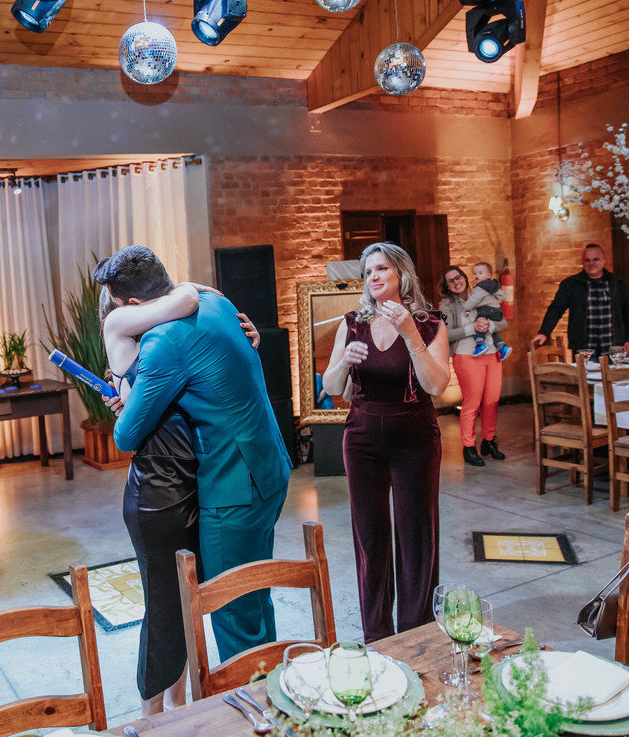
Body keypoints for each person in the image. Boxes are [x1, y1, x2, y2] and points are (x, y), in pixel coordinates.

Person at [94, 246, 291, 663]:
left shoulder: (164, 341)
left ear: (134, 305)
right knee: (256, 597)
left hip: (233, 486)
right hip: (270, 465)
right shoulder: (219, 303)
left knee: (232, 610)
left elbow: (127, 435)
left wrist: (124, 398)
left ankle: (250, 699)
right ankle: (271, 683)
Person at [99, 281, 256, 715]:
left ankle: (179, 703)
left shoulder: (165, 334)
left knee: (186, 602)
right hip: (157, 490)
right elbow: (128, 434)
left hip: (191, 481)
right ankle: (150, 718)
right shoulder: (128, 332)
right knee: (164, 608)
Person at [321, 242, 449, 643]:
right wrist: (345, 361)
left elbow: (436, 385)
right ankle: (377, 636)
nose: (373, 277)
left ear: (401, 274)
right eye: (368, 272)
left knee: (416, 537)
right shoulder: (351, 324)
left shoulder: (430, 324)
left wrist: (410, 333)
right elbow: (332, 387)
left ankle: (415, 635)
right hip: (362, 441)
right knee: (370, 538)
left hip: (415, 439)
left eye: (382, 269)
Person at [440, 265, 508, 466]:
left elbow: (502, 322)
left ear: (464, 277)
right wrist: (472, 328)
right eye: (451, 281)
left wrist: (490, 325)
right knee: (472, 403)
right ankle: (468, 447)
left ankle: (489, 441)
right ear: (447, 286)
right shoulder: (446, 304)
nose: (456, 282)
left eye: (458, 277)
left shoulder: (481, 293)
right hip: (466, 355)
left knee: (492, 401)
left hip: (491, 353)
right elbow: (445, 334)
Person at [535, 243, 629, 356]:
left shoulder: (617, 283)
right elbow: (556, 309)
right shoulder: (571, 284)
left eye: (595, 259)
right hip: (584, 351)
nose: (591, 263)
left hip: (614, 350)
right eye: (587, 260)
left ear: (604, 261)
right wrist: (544, 332)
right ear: (582, 262)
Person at [465, 262, 512, 361]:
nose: (477, 275)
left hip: (486, 309)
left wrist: (466, 308)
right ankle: (502, 346)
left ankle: (480, 344)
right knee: (490, 329)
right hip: (497, 310)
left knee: (479, 322)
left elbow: (474, 300)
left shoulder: (480, 287)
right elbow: (502, 296)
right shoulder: (493, 285)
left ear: (488, 275)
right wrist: (494, 301)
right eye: (475, 273)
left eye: (480, 273)